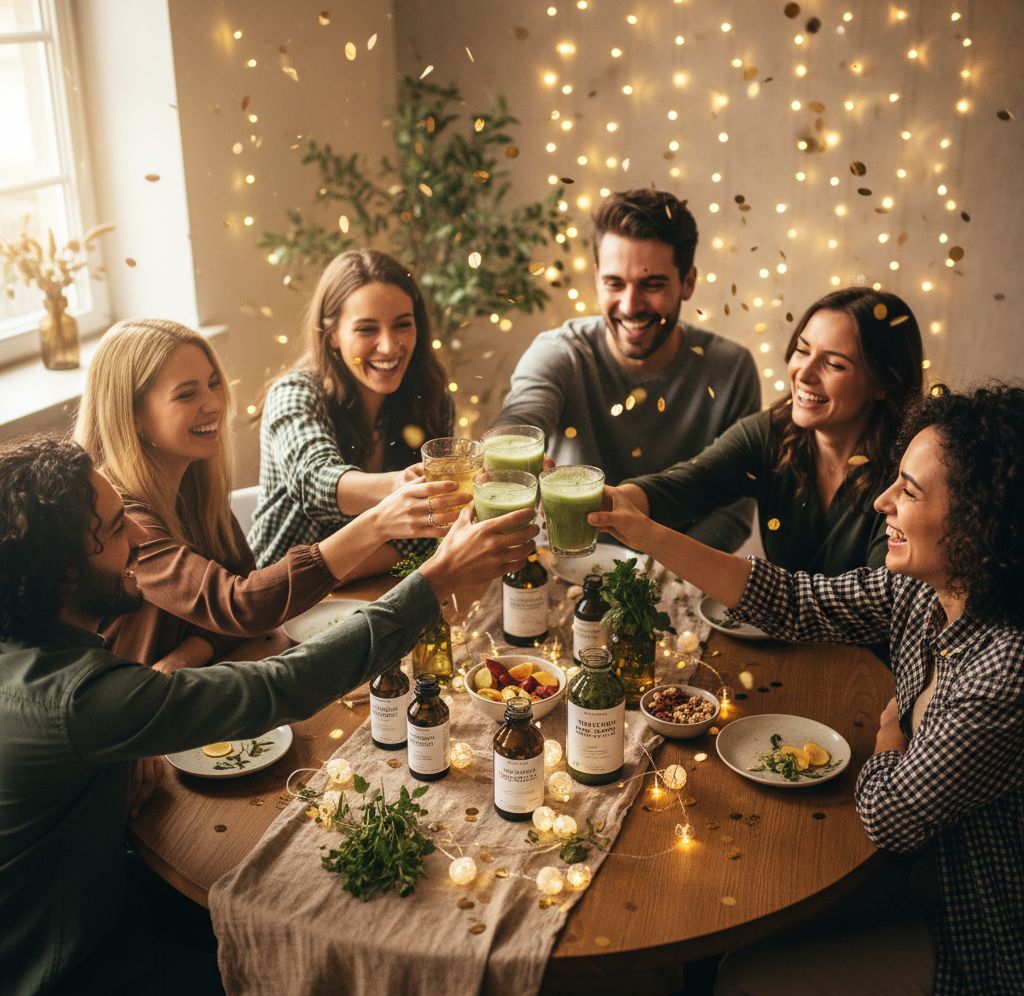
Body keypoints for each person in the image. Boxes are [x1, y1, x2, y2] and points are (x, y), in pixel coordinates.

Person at [0, 436, 536, 996]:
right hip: (69, 985)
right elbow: (279, 688)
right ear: (65, 574)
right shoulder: (76, 702)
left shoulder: (32, 645)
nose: (136, 534)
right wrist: (433, 582)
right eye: (112, 526)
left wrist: (118, 749)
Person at [589, 384, 1024, 996]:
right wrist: (649, 534)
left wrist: (889, 745)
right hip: (915, 875)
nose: (883, 503)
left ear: (980, 521)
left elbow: (891, 815)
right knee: (742, 899)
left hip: (976, 933)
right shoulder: (926, 594)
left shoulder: (1003, 671)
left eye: (908, 491)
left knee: (744, 989)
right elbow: (793, 601)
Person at [75, 318, 464, 670]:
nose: (214, 404)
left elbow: (234, 614)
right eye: (186, 394)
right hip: (143, 729)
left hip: (198, 685)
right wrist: (376, 523)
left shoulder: (193, 492)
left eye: (213, 383)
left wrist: (191, 653)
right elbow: (244, 606)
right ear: (133, 415)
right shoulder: (123, 520)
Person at [491, 187, 760, 552]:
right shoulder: (560, 352)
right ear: (598, 277)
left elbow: (735, 507)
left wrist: (661, 572)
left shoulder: (731, 370)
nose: (631, 306)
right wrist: (506, 451)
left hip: (677, 574)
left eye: (652, 284)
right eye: (615, 284)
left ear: (689, 282)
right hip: (558, 563)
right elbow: (523, 413)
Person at [610, 287, 924, 574]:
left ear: (883, 383)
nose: (805, 374)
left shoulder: (911, 473)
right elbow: (680, 487)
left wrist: (658, 540)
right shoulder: (772, 432)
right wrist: (606, 501)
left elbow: (873, 603)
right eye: (802, 350)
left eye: (834, 364)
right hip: (778, 634)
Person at [249, 248, 453, 571]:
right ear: (332, 336)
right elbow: (314, 481)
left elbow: (430, 533)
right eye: (367, 329)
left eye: (402, 325)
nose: (389, 346)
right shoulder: (294, 394)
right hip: (280, 606)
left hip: (382, 590)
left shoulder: (431, 398)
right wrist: (401, 486)